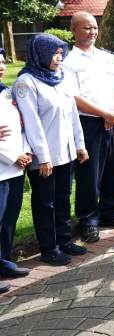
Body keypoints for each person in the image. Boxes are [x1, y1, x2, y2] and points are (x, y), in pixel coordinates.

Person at [13, 34, 89, 266]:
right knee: (45, 203)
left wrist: (80, 145)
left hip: (65, 153)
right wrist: (44, 158)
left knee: (63, 198)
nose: (59, 58)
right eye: (54, 54)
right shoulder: (26, 83)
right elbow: (32, 123)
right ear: (41, 54)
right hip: (44, 158)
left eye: (60, 53)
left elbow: (73, 115)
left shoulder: (61, 78)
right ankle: (49, 247)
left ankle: (64, 240)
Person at [63, 12, 114, 244]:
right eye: (86, 28)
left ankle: (110, 212)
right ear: (73, 30)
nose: (92, 32)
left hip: (113, 120)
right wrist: (104, 114)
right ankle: (88, 220)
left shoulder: (107, 58)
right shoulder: (68, 62)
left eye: (94, 27)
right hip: (88, 124)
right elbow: (73, 97)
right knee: (89, 174)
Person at [0, 48, 32, 292]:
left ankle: (4, 261)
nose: (1, 67)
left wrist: (25, 151)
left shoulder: (7, 93)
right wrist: (13, 156)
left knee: (9, 219)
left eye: (2, 62)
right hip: (3, 167)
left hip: (15, 169)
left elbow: (21, 126)